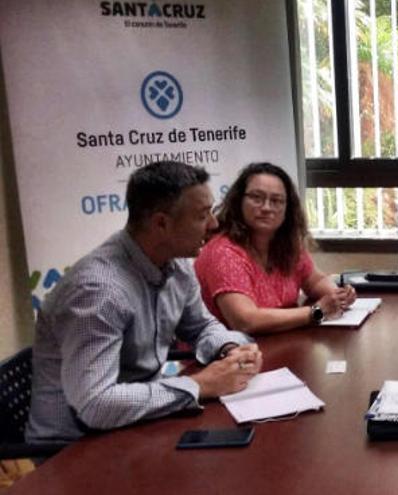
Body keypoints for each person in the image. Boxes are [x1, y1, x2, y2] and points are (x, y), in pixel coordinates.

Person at [26, 161, 262, 444]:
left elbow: (200, 327)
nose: (214, 224)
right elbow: (95, 405)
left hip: (135, 422)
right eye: (202, 216)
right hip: (74, 449)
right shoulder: (98, 291)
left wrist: (229, 348)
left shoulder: (177, 265)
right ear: (161, 223)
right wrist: (199, 385)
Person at [194, 162, 355, 333]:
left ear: (288, 209)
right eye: (256, 198)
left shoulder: (287, 243)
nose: (266, 208)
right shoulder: (223, 252)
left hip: (279, 343)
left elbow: (314, 280)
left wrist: (337, 296)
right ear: (238, 201)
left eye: (276, 201)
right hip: (226, 355)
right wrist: (316, 312)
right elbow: (245, 321)